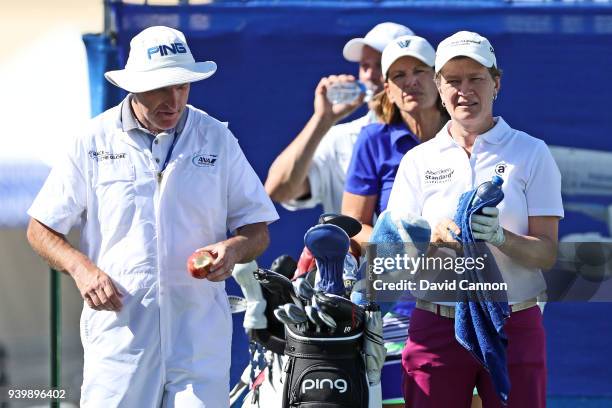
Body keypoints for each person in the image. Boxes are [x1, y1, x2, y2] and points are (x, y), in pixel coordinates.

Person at [26, 26, 278, 407]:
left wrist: (232, 248)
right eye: (161, 86)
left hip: (198, 341)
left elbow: (256, 229)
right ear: (134, 85)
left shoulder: (217, 137)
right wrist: (82, 270)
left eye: (183, 86)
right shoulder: (93, 140)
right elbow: (40, 228)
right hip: (120, 339)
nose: (173, 99)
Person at [387, 31, 563, 408]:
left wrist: (502, 238)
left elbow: (547, 254)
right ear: (439, 87)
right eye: (452, 81)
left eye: (475, 79)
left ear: (496, 84)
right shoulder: (418, 160)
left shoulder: (531, 152)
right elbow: (393, 254)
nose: (464, 90)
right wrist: (427, 238)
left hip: (514, 321)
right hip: (436, 323)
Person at [265, 22, 414, 214]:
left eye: (381, 65)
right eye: (364, 66)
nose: (369, 75)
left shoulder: (440, 135)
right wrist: (322, 119)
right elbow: (277, 191)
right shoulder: (339, 138)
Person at [341, 34, 447, 248]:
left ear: (438, 79)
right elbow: (354, 225)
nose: (411, 81)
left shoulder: (466, 133)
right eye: (399, 75)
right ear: (388, 90)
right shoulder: (373, 139)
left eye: (419, 70)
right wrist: (399, 249)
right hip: (397, 273)